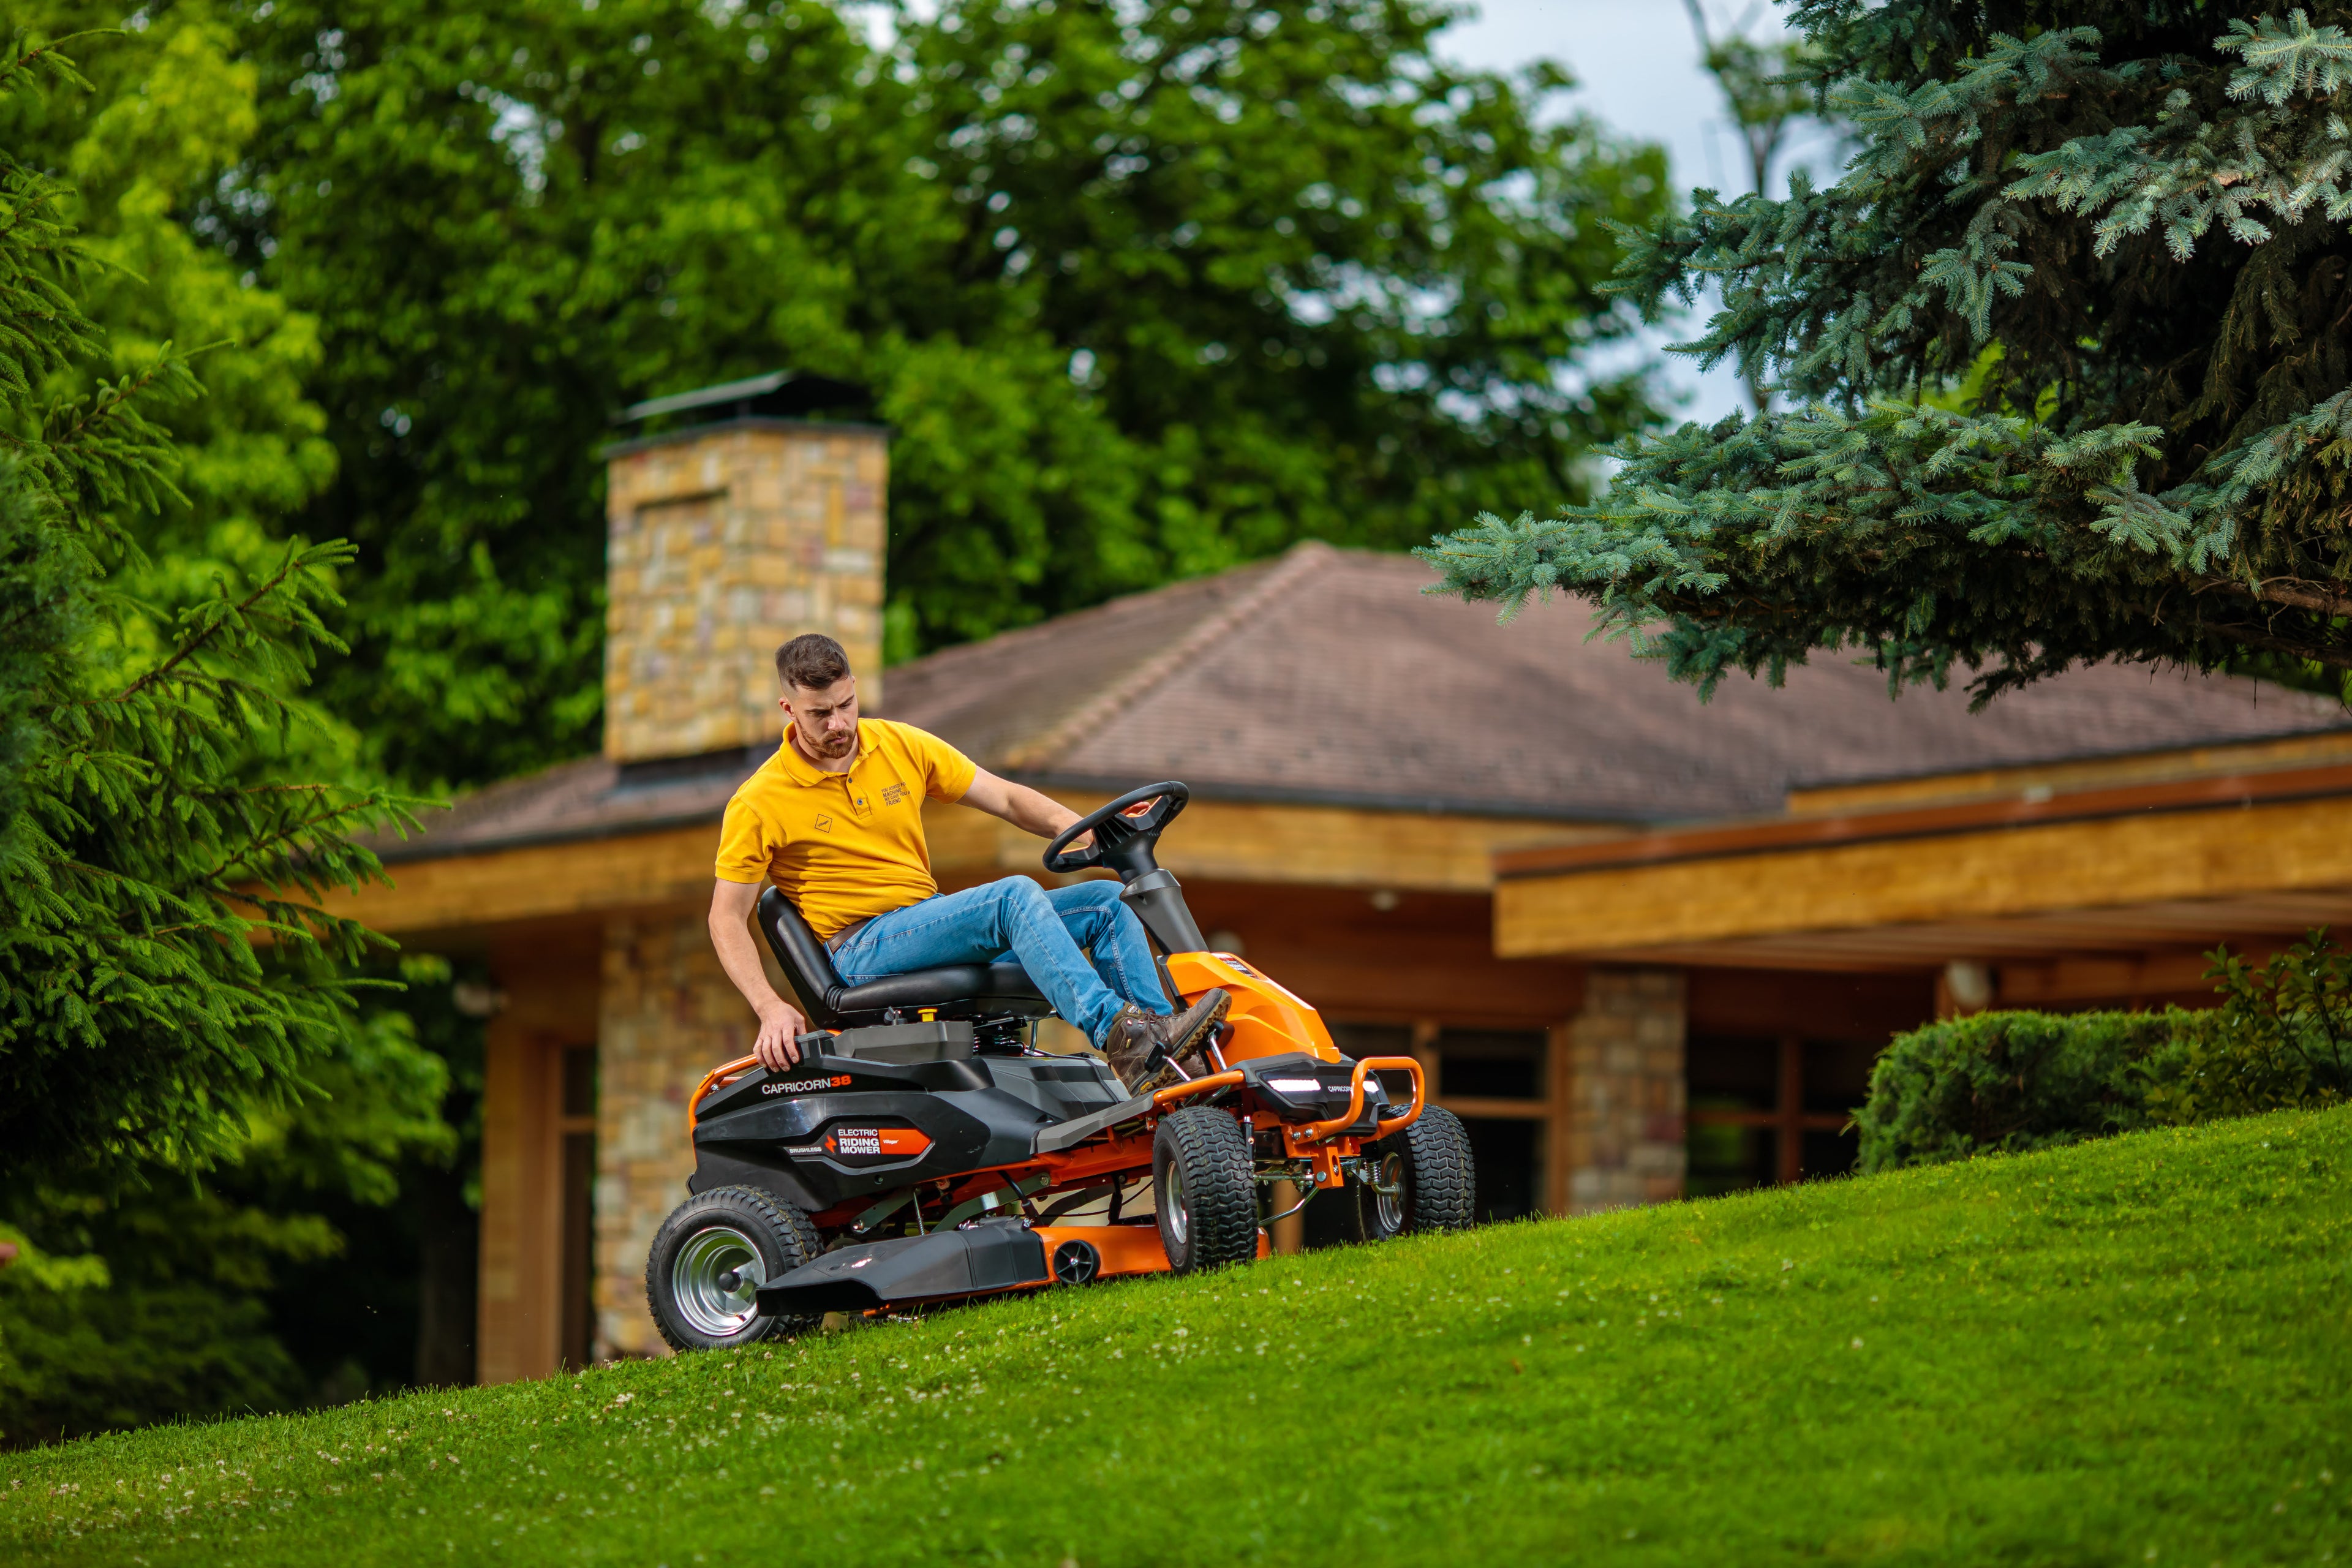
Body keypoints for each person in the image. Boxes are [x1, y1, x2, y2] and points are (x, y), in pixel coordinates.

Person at [707, 633, 1227, 1089]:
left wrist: (1091, 828)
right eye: (820, 714)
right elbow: (726, 916)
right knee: (1012, 896)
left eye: (847, 704)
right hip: (863, 948)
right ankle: (1119, 1033)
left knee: (1108, 902)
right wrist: (769, 1005)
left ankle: (1166, 1054)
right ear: (788, 710)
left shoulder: (899, 745)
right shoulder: (760, 801)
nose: (839, 723)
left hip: (924, 922)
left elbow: (1004, 798)